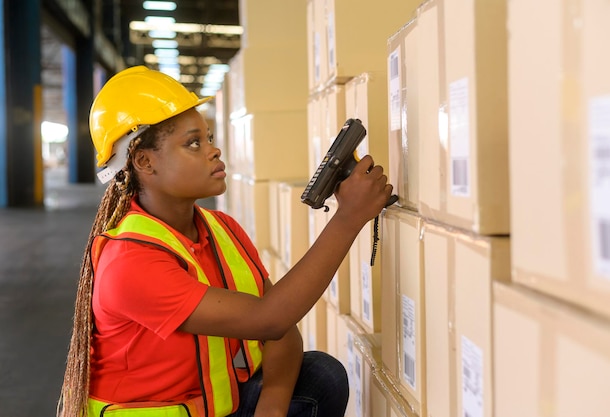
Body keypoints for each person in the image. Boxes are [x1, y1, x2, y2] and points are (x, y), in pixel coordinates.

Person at [57, 65, 393, 417]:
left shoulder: (221, 228)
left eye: (210, 139)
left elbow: (282, 332)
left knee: (321, 376)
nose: (213, 152)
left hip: (218, 409)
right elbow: (270, 319)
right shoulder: (129, 261)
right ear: (144, 161)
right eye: (193, 143)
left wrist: (272, 408)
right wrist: (349, 218)